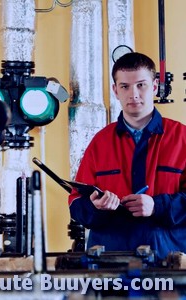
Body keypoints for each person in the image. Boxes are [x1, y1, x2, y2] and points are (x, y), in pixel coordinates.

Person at [68, 52, 186, 260]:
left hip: (169, 260)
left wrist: (156, 206)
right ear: (115, 90)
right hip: (108, 262)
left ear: (155, 86)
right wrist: (96, 207)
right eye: (125, 86)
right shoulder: (101, 142)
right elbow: (76, 202)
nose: (134, 94)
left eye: (141, 85)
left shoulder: (181, 138)